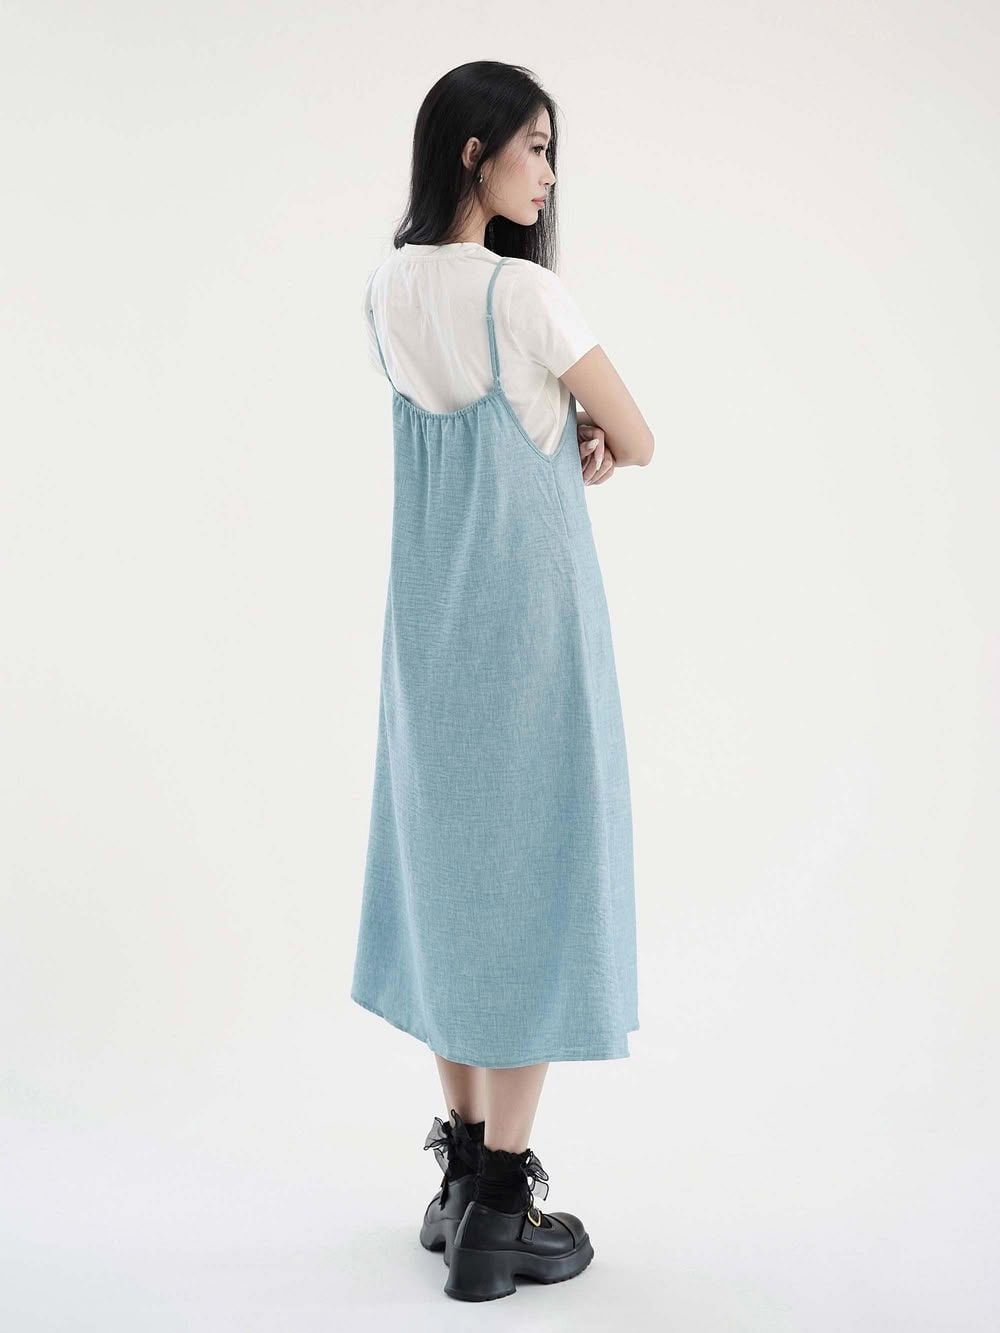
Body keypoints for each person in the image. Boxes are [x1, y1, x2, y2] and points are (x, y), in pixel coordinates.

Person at [351, 59, 654, 1302]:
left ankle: (463, 1171)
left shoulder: (386, 289)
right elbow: (638, 434)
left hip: (429, 638)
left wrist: (559, 424)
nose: (549, 174)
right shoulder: (524, 295)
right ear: (472, 152)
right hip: (531, 638)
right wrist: (590, 434)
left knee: (448, 891)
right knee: (534, 893)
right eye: (534, 147)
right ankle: (501, 1208)